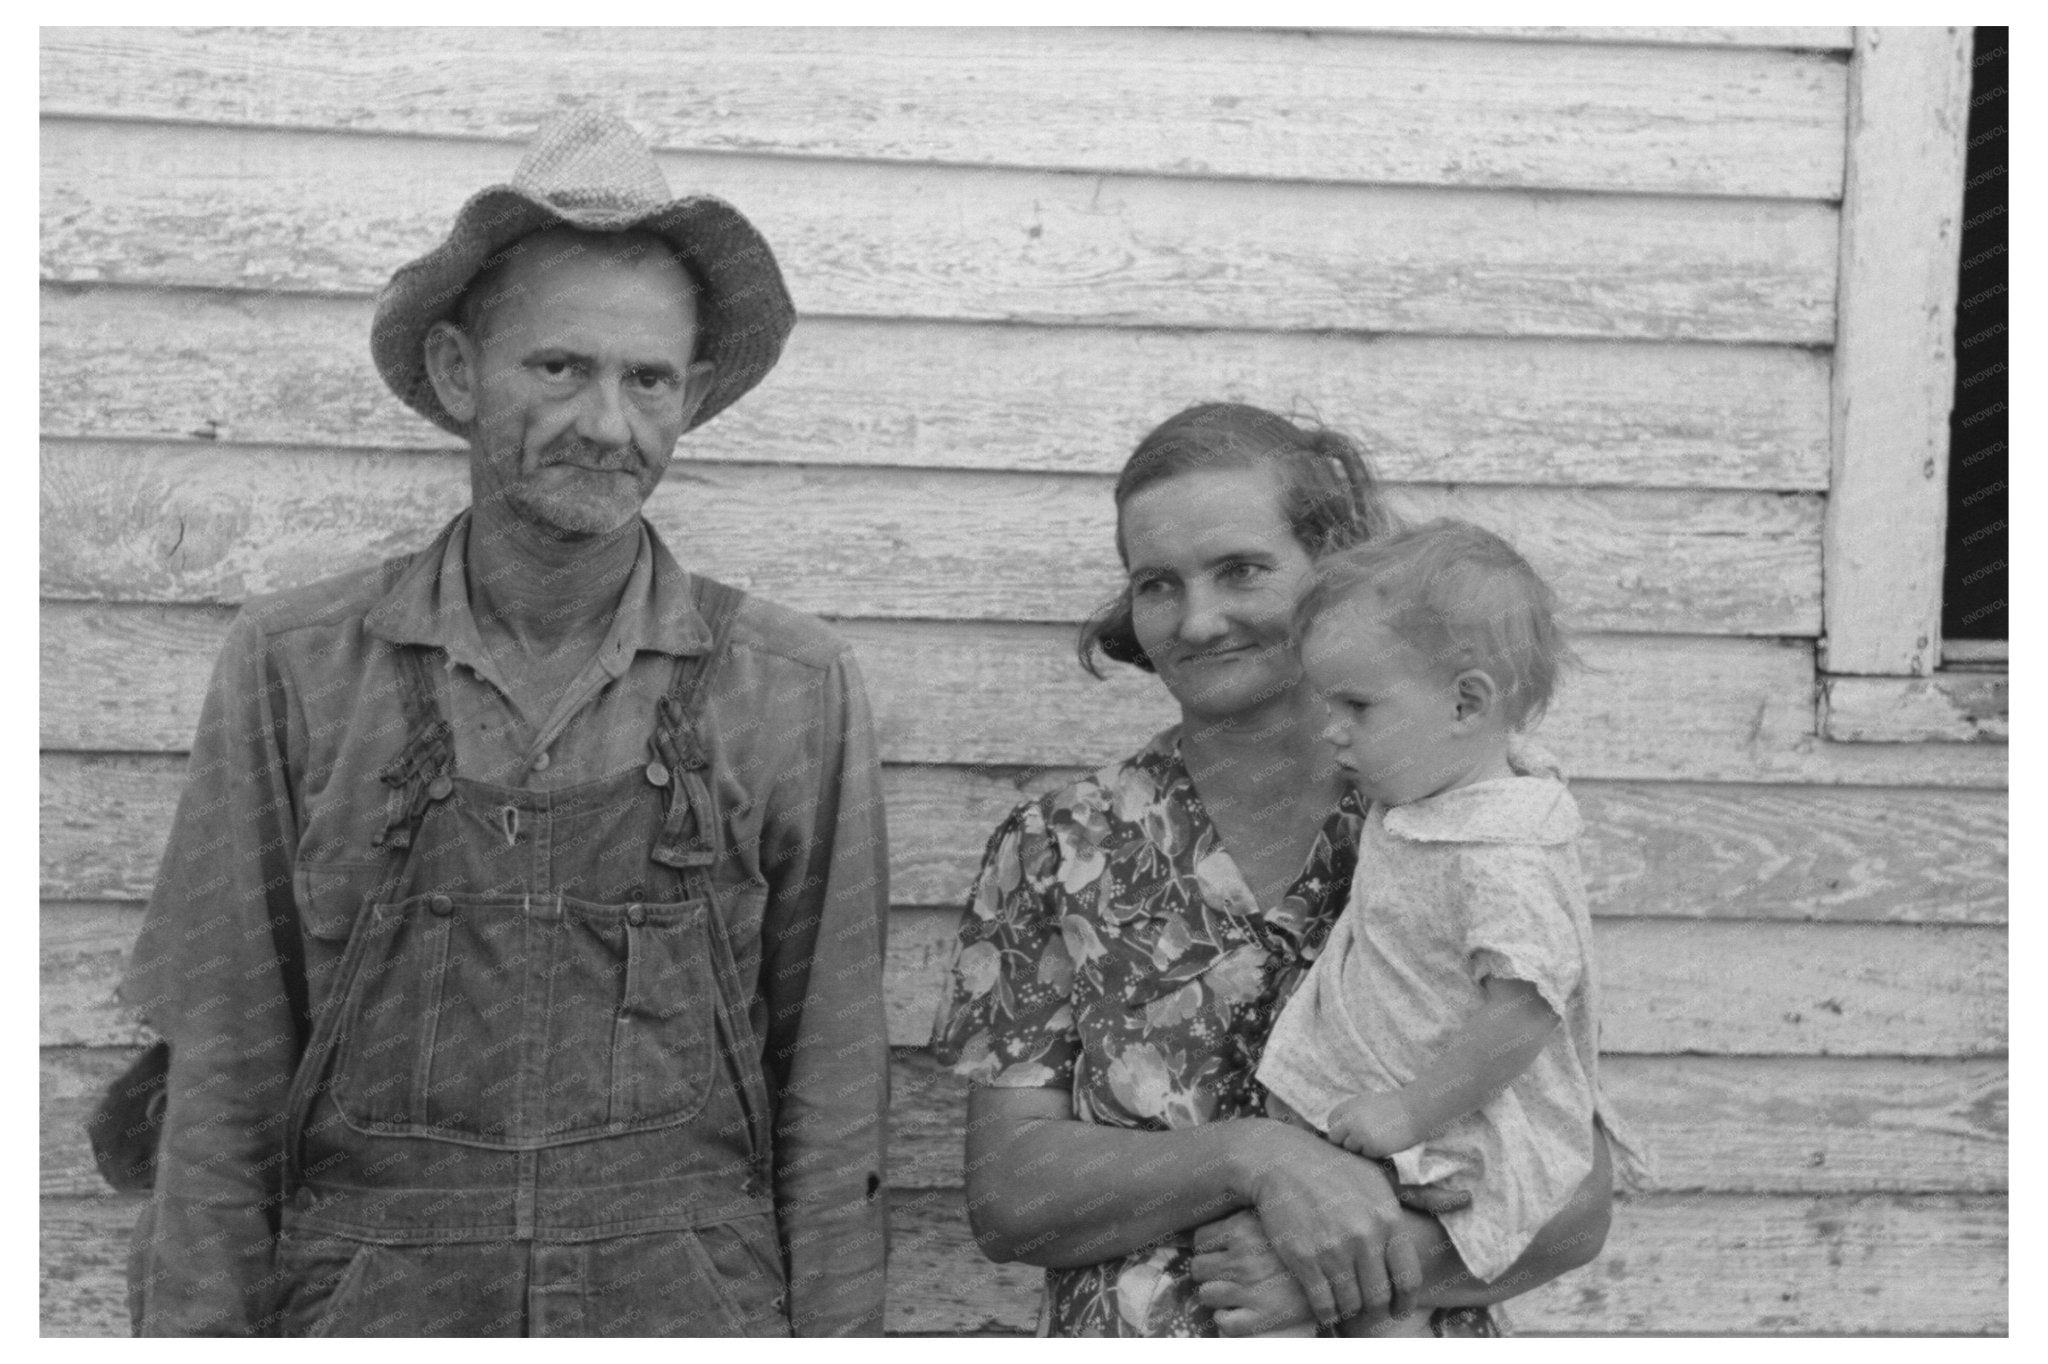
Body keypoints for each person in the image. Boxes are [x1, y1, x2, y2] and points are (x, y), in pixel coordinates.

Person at [119, 110, 890, 1337]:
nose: (605, 422)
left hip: (688, 1306)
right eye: (558, 366)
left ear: (689, 396)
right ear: (455, 371)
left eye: (646, 379)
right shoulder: (298, 665)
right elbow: (221, 1074)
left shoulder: (790, 684)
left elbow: (836, 1085)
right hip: (372, 1303)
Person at [929, 403, 1613, 1337]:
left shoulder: (1467, 826)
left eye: (1241, 570)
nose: (1199, 620)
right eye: (1158, 584)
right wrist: (1256, 1160)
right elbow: (1010, 1199)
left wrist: (1360, 1271)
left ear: (1327, 575)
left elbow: (1574, 1198)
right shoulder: (1060, 844)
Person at [1254, 519, 1649, 1335]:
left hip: (1451, 1127)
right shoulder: (1434, 797)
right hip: (1390, 1113)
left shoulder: (1503, 851)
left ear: (1467, 702)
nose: (1332, 729)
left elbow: (1527, 1008)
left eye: (1356, 705)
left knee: (1377, 1305)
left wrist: (1411, 1113)